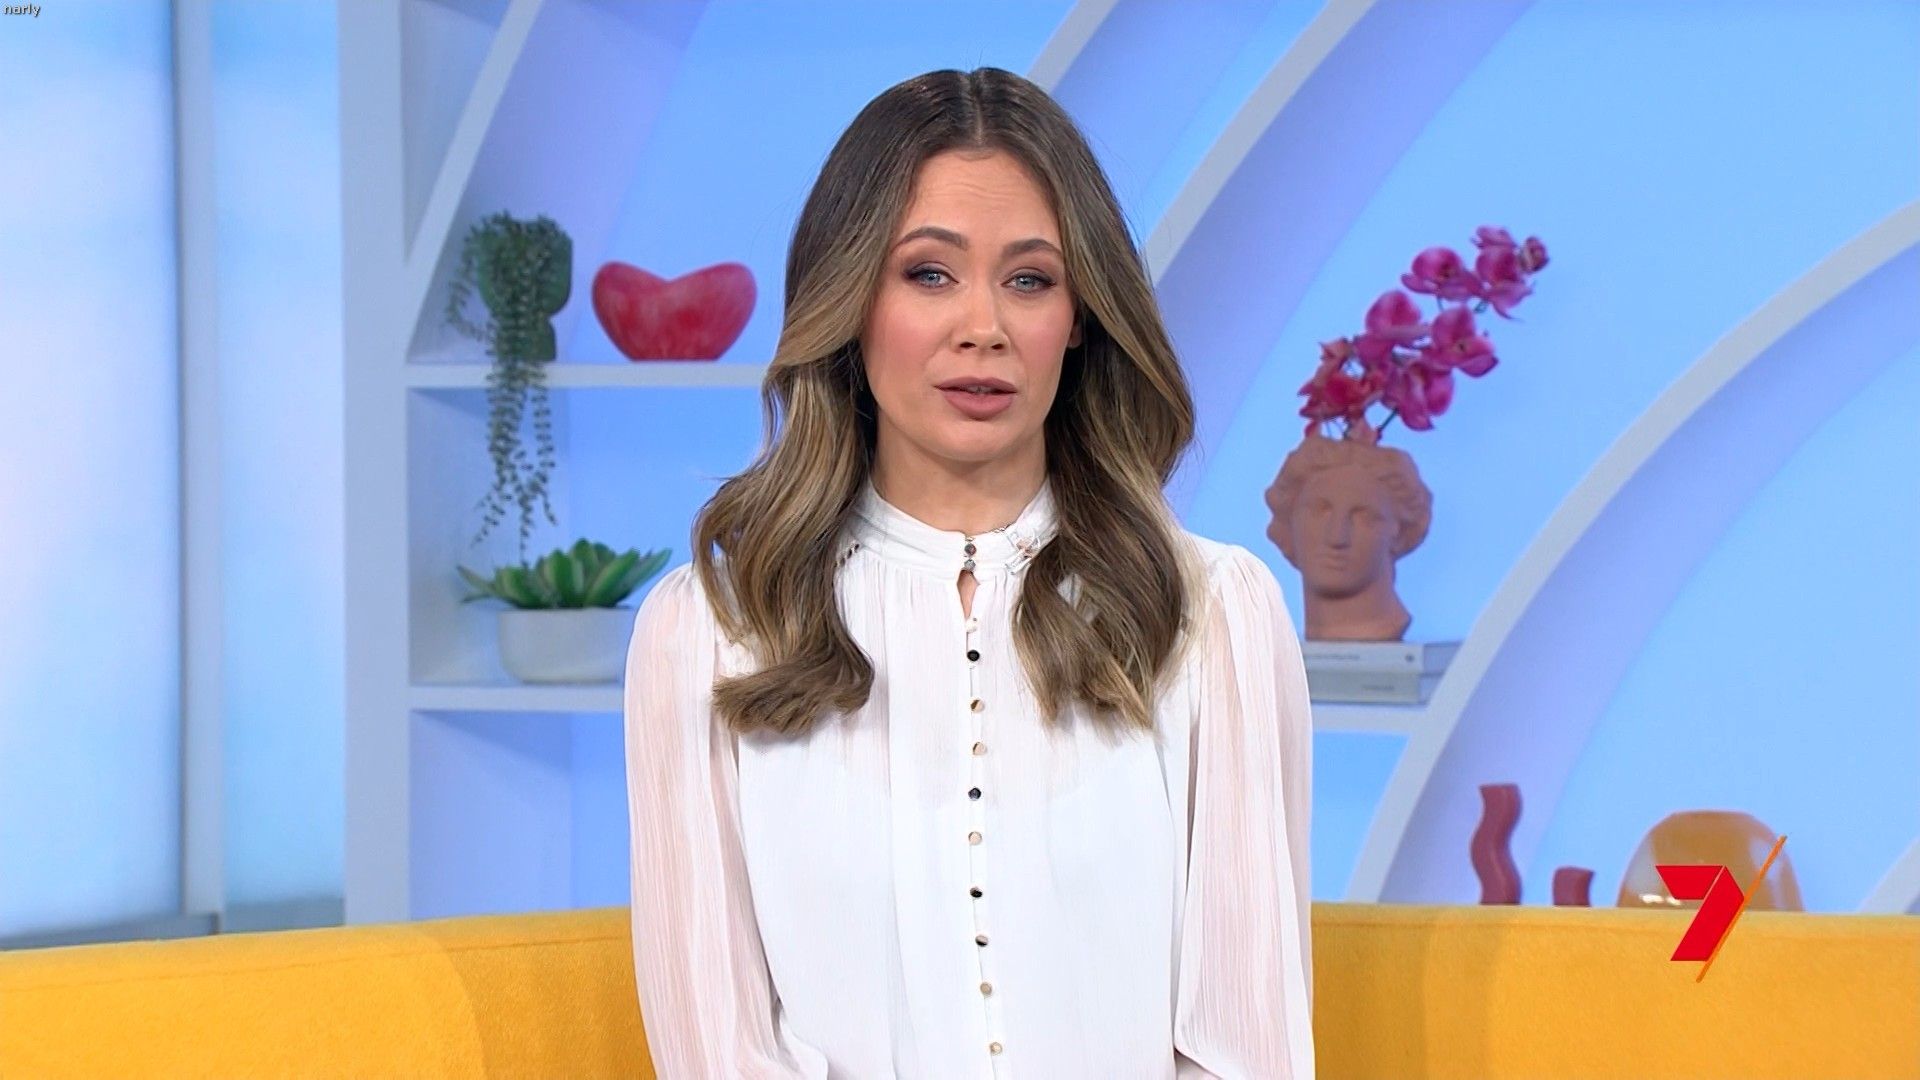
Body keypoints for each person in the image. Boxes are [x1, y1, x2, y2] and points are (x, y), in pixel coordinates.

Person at [624, 66, 1313, 1079]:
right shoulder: (712, 631)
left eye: (1029, 279)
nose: (982, 326)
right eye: (929, 274)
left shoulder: (1213, 615)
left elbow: (1247, 1047)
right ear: (850, 300)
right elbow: (715, 1050)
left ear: (1081, 316)